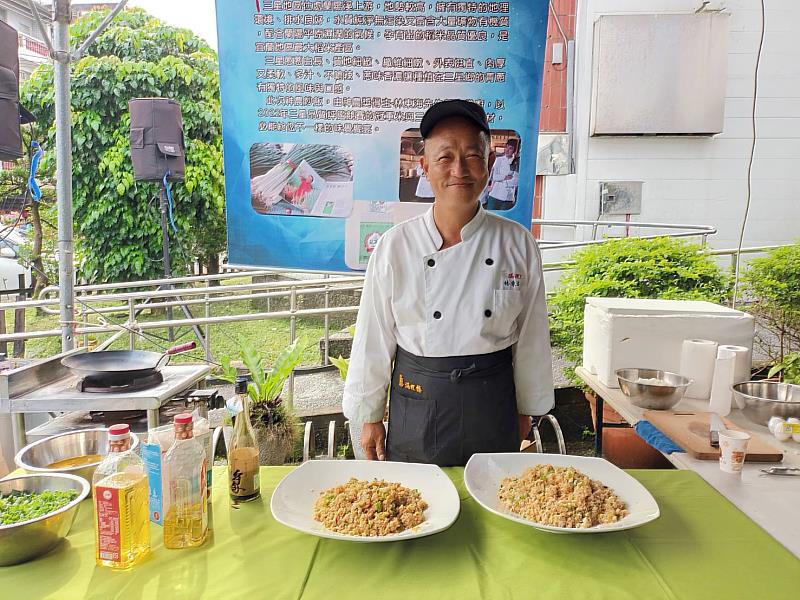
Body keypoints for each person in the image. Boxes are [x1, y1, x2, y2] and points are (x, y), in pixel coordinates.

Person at [343, 100, 554, 466]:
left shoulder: (517, 243)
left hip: (493, 402)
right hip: (418, 402)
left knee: (494, 502)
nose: (459, 169)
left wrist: (528, 410)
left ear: (489, 164)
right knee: (415, 508)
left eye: (472, 156)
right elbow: (373, 337)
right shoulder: (396, 246)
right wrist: (369, 415)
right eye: (445, 158)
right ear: (425, 167)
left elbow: (533, 335)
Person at [486, 139, 518, 211]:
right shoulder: (498, 160)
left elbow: (516, 181)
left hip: (508, 198)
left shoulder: (516, 163)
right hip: (495, 195)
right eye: (506, 147)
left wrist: (503, 181)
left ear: (514, 151)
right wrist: (505, 177)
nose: (507, 150)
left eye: (510, 148)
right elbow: (494, 177)